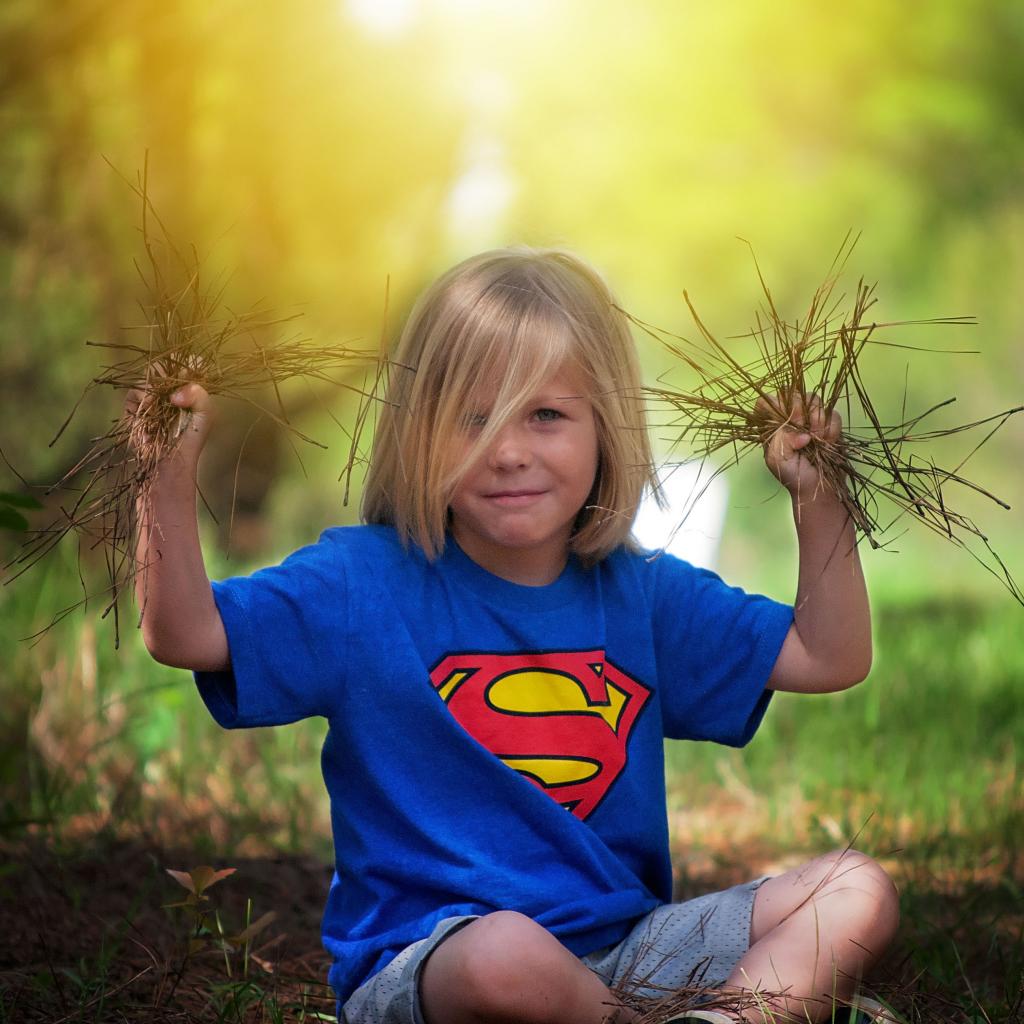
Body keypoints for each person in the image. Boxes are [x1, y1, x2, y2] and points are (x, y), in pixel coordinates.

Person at [131, 247, 899, 1024]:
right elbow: (186, 633)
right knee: (506, 954)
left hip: (628, 950)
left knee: (855, 889)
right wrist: (163, 472)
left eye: (546, 415)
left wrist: (819, 499)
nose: (507, 451)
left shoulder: (640, 593)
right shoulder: (361, 585)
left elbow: (829, 656)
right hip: (437, 961)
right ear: (418, 432)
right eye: (472, 419)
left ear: (605, 430)